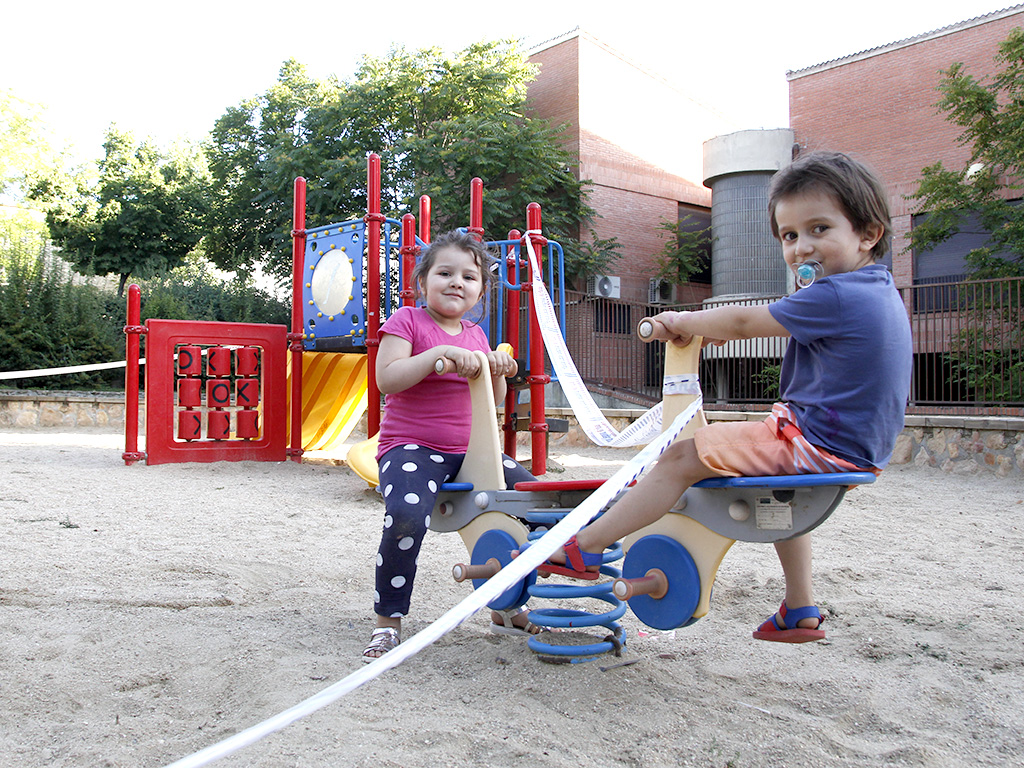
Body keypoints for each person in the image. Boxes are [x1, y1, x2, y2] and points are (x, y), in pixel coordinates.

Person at [533, 151, 912, 643]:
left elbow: (742, 321)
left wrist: (682, 320)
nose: (802, 247)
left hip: (814, 441)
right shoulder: (875, 289)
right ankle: (799, 607)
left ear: (868, 234)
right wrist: (711, 331)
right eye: (789, 236)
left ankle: (585, 546)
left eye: (819, 229)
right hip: (852, 445)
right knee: (781, 498)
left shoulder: (836, 293)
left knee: (681, 457)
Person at [362, 230, 537, 662]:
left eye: (469, 277)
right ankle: (388, 620)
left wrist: (496, 369)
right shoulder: (407, 321)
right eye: (445, 273)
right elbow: (387, 379)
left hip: (472, 452)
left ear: (480, 291)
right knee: (406, 515)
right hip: (412, 448)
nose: (457, 282)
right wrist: (436, 355)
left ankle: (507, 606)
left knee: (534, 502)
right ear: (422, 282)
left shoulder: (476, 335)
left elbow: (492, 399)